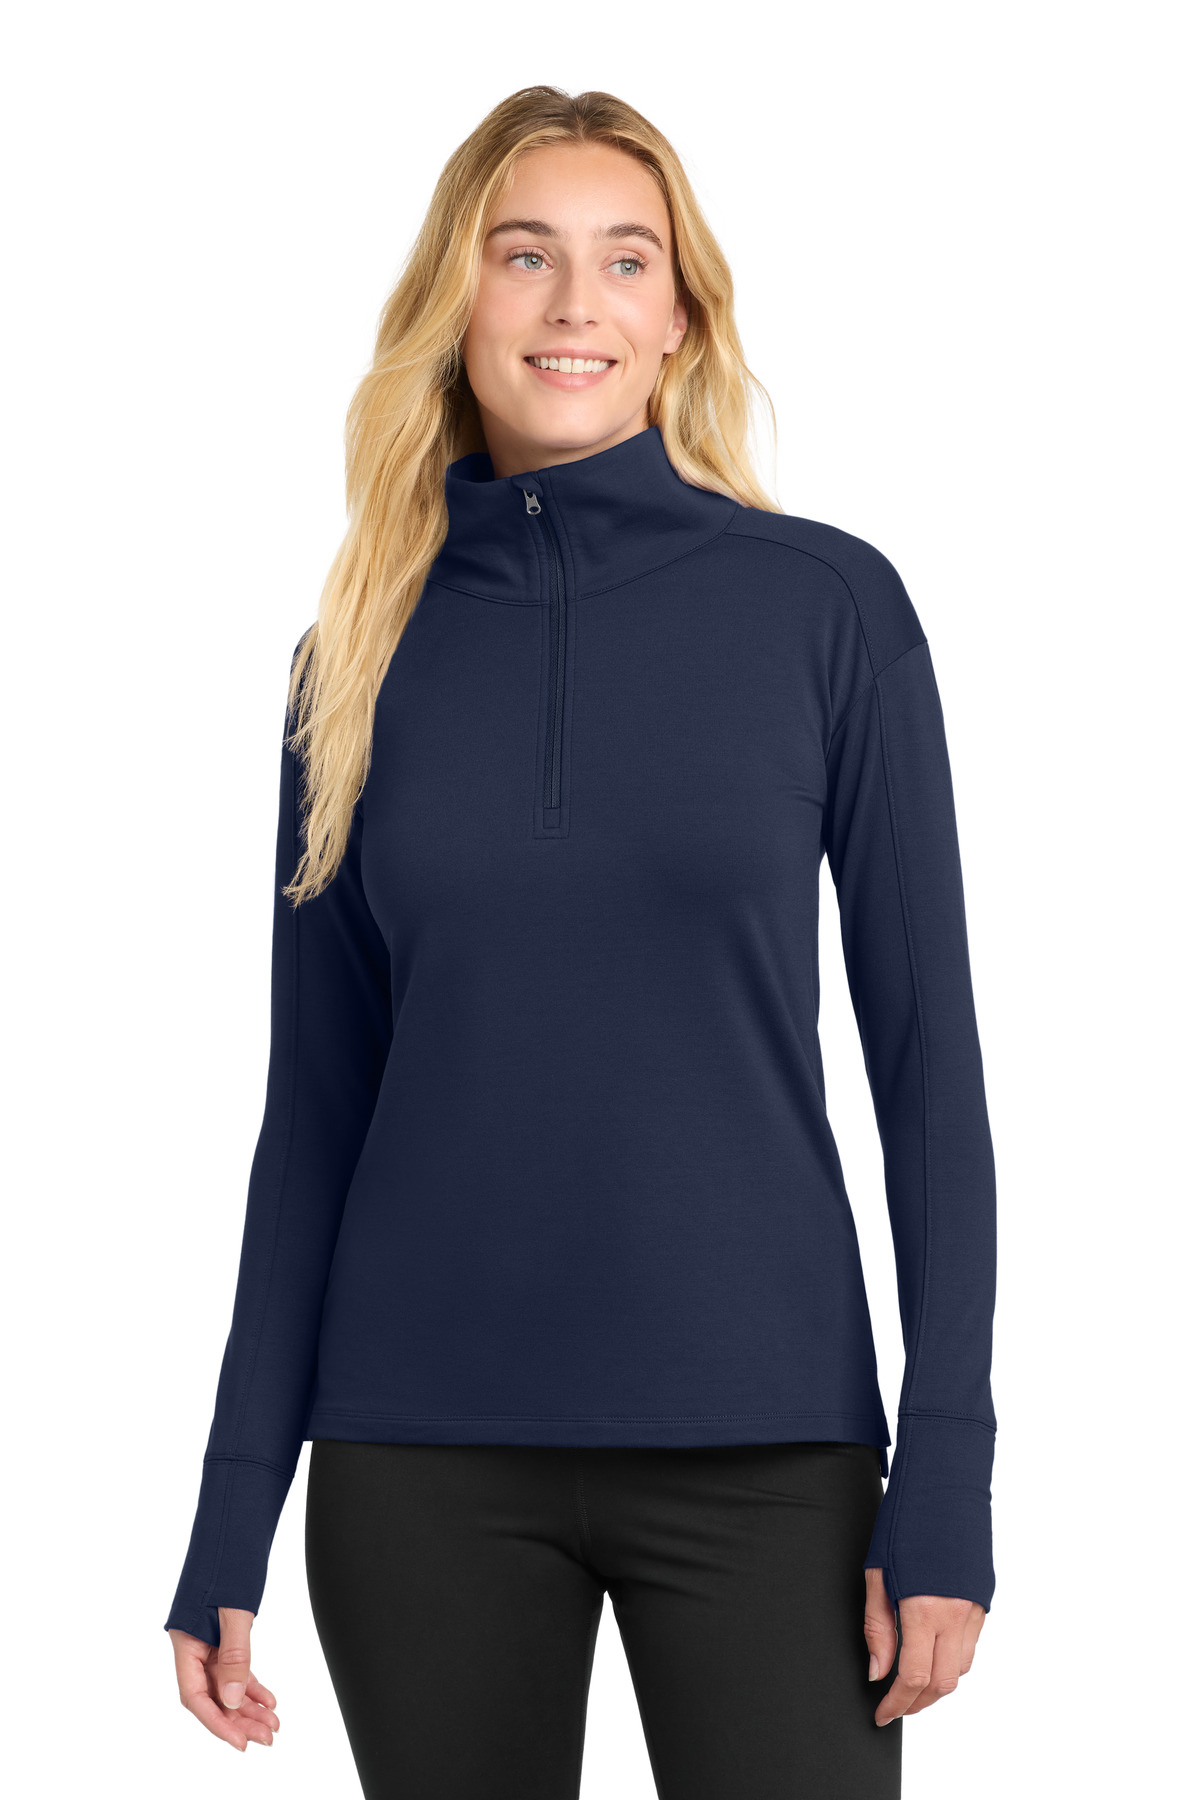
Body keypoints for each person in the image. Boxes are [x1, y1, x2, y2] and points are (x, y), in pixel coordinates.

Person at [165, 84, 997, 1799]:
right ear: (454, 299)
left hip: (768, 1448)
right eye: (523, 254)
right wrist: (232, 1506)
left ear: (681, 315)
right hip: (417, 1457)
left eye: (627, 260)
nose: (574, 303)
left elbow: (930, 1078)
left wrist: (949, 1478)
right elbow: (311, 1119)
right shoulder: (351, 660)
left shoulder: (827, 610)